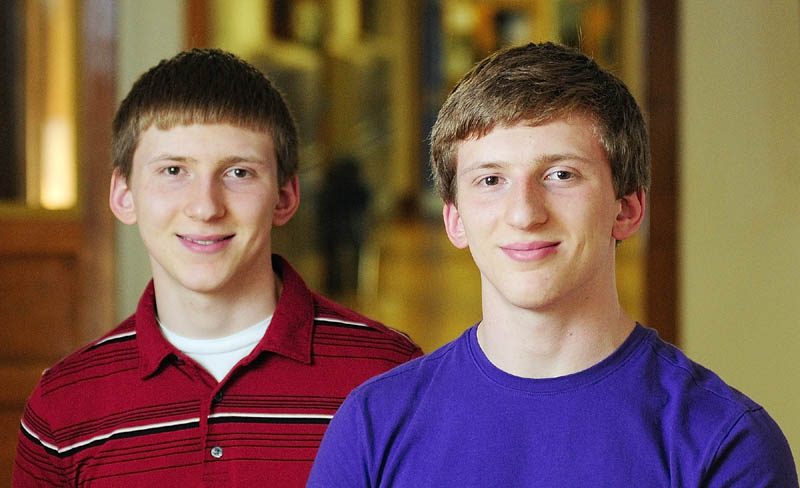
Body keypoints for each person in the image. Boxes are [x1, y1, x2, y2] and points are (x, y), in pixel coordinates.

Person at [307, 42, 797, 486]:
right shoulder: (372, 426)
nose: (524, 213)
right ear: (454, 220)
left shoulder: (726, 445)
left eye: (561, 174)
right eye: (491, 180)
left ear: (627, 209)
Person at [12, 48, 421, 487]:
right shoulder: (63, 404)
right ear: (124, 195)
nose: (205, 207)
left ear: (284, 197)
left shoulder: (390, 377)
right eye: (173, 170)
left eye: (238, 173)